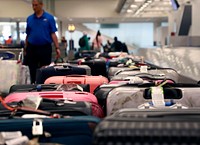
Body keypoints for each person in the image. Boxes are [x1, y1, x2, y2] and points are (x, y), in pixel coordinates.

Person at [24, 0, 61, 84]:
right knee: (32, 69)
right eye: (33, 5)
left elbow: (53, 33)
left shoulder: (49, 18)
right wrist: (25, 48)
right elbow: (28, 34)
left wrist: (57, 48)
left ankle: (44, 85)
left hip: (45, 47)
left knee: (45, 69)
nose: (34, 7)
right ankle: (33, 84)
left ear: (41, 5)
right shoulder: (29, 19)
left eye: (36, 5)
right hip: (32, 47)